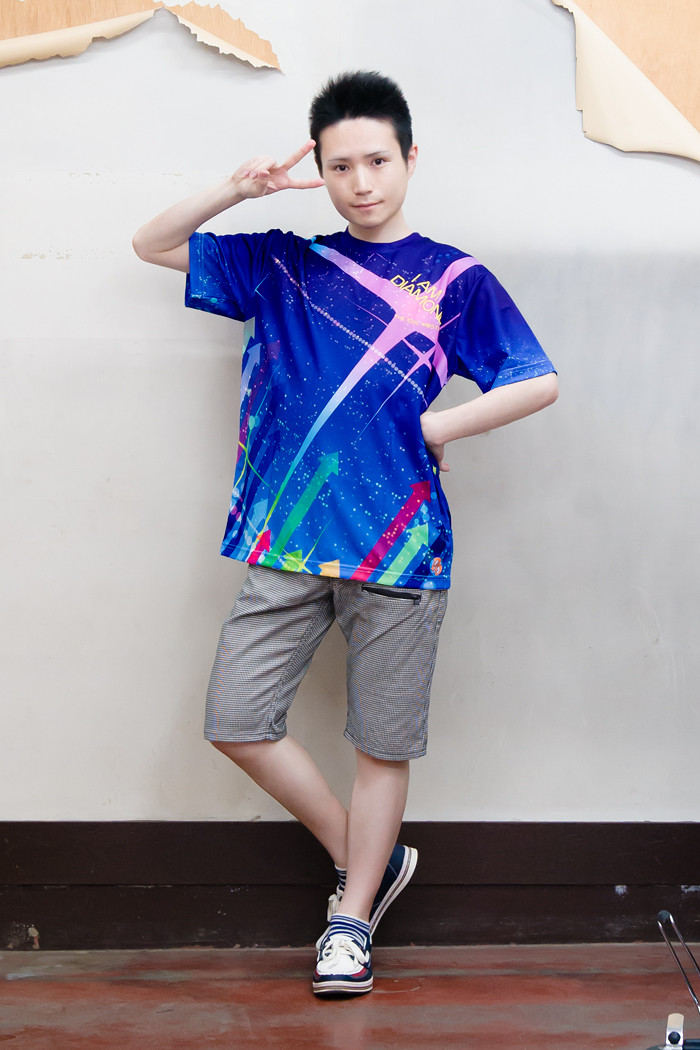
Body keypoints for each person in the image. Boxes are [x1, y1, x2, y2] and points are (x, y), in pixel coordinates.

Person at [132, 70, 558, 996]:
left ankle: (351, 919)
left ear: (410, 159)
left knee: (380, 743)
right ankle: (365, 855)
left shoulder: (455, 279)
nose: (361, 182)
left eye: (377, 161)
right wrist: (238, 189)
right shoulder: (282, 264)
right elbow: (151, 243)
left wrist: (442, 426)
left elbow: (536, 379)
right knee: (237, 719)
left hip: (400, 550)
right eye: (340, 166)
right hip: (283, 543)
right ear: (318, 171)